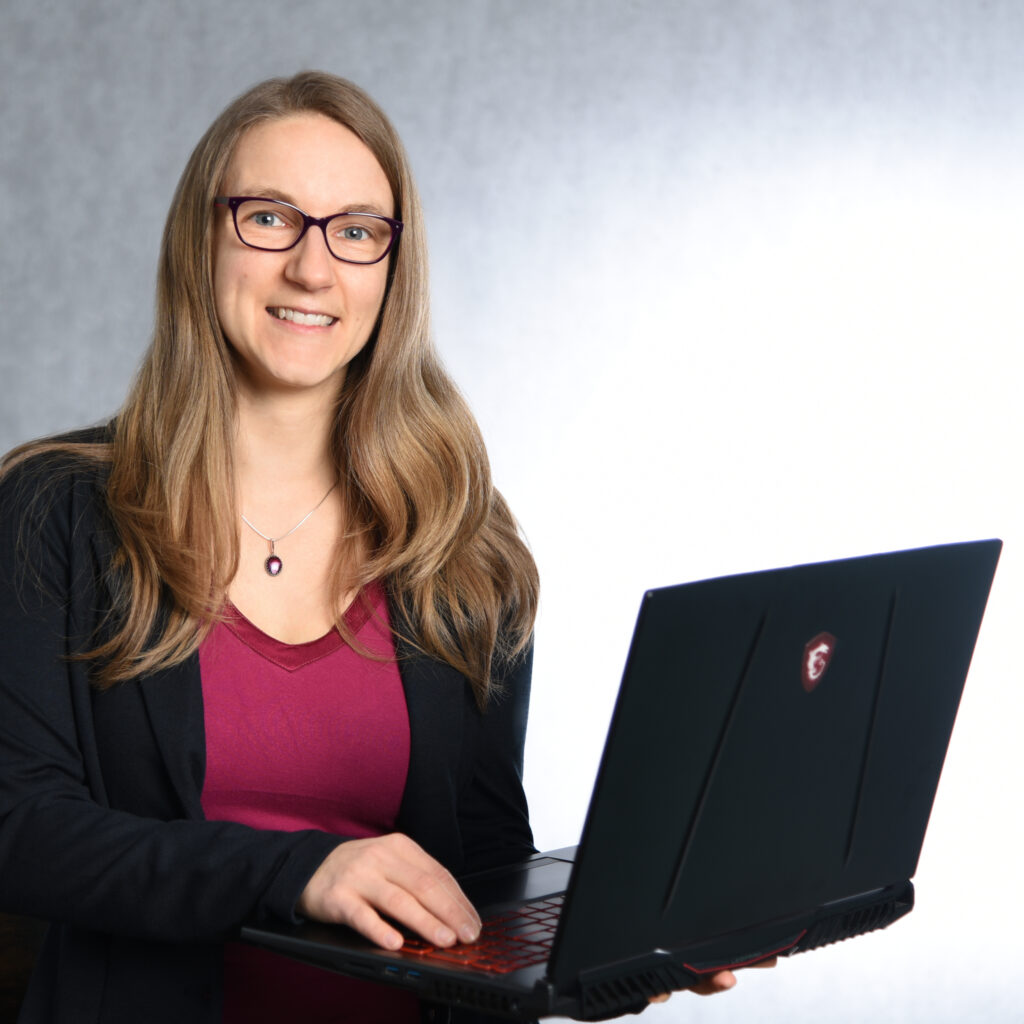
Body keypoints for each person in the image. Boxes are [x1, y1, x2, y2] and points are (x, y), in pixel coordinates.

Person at [0, 72, 741, 1023]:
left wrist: (617, 953)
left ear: (393, 269)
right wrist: (297, 869)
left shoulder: (461, 542)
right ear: (201, 241)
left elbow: (480, 870)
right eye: (270, 218)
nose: (314, 270)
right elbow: (19, 826)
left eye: (356, 232)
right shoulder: (56, 509)